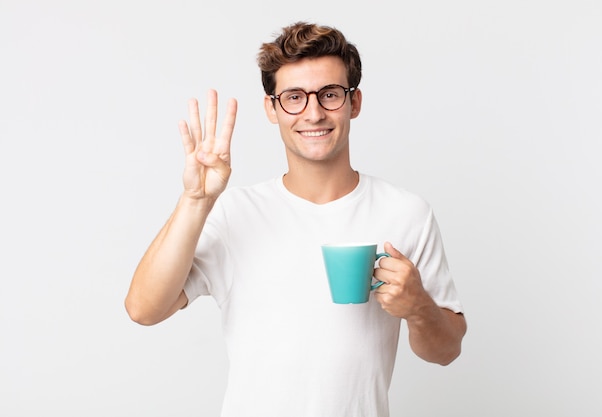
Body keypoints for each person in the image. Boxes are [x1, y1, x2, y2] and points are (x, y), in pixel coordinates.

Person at [125, 21, 466, 417]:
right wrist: (195, 200)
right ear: (272, 108)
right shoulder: (236, 213)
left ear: (354, 103)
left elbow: (446, 352)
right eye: (294, 97)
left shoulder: (406, 212)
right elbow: (144, 309)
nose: (314, 112)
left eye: (330, 95)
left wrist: (418, 306)